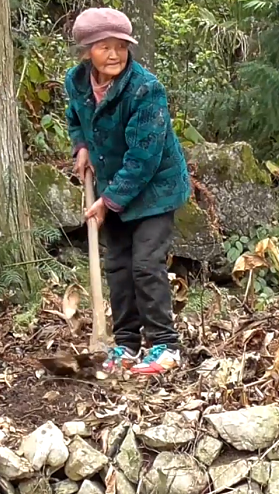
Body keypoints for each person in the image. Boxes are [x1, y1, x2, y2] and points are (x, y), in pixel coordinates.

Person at [64, 7, 191, 375]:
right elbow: (76, 118)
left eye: (121, 46)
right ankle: (127, 344)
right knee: (118, 266)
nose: (115, 54)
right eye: (104, 47)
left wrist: (107, 201)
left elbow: (143, 158)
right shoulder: (77, 82)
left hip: (155, 189)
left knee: (145, 266)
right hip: (112, 185)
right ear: (87, 51)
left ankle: (165, 346)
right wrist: (82, 146)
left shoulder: (145, 89)